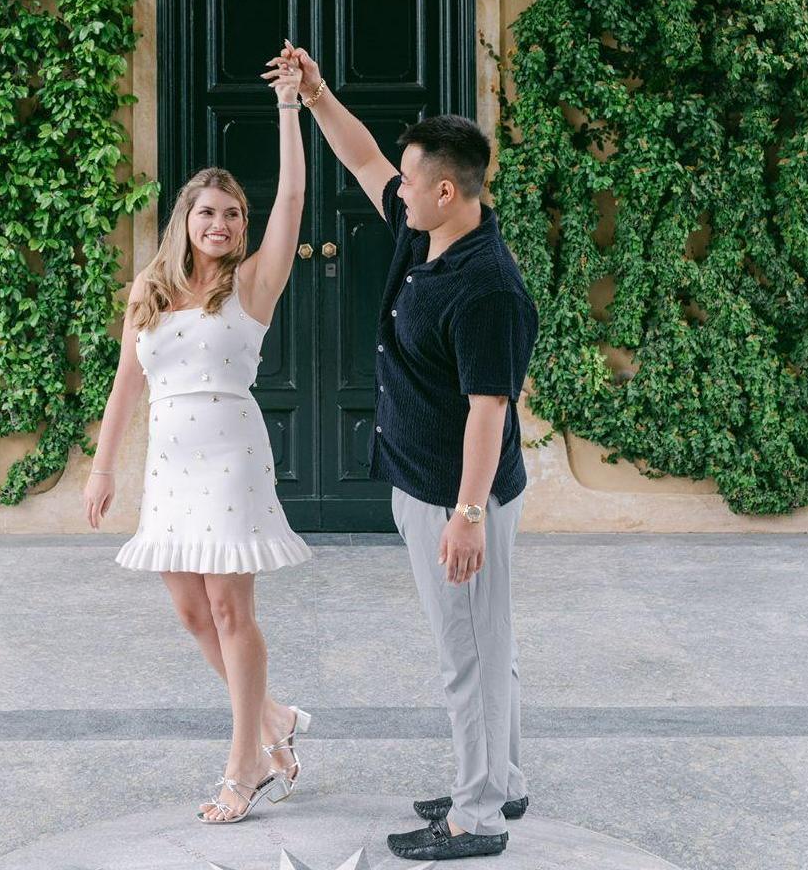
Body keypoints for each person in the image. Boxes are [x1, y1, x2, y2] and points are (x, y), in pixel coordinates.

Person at [269, 43, 538, 861]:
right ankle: (503, 780)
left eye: (412, 182)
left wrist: (467, 516)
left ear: (446, 191)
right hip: (427, 483)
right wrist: (317, 95)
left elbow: (490, 412)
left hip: (461, 495)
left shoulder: (487, 287)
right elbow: (362, 160)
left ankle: (477, 817)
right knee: (487, 644)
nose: (399, 190)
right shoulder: (428, 234)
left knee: (469, 657)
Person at [83, 56, 314, 826]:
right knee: (190, 610)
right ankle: (274, 717)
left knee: (229, 608)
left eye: (233, 215)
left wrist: (290, 107)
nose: (221, 224)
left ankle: (245, 762)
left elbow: (293, 197)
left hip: (231, 460)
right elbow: (126, 386)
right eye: (208, 212)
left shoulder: (252, 284)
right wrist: (102, 468)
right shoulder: (148, 291)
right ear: (185, 218)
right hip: (169, 466)